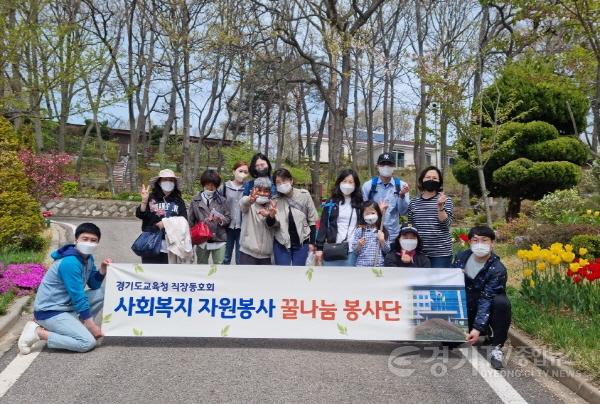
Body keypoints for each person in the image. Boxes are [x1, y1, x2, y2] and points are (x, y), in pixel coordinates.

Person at [18, 223, 111, 354]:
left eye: (93, 240)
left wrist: (102, 269)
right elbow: (78, 297)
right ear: (76, 240)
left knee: (103, 292)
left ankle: (76, 326)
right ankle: (38, 332)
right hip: (50, 311)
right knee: (87, 343)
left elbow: (94, 286)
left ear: (98, 243)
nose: (89, 243)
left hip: (66, 306)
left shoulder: (88, 259)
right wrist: (92, 326)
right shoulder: (70, 262)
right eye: (85, 239)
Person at [453, 225, 512, 370]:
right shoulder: (461, 258)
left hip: (485, 310)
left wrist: (478, 328)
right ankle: (465, 329)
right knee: (448, 344)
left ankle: (496, 346)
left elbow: (486, 298)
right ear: (469, 243)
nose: (479, 244)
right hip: (465, 308)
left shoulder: (498, 269)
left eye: (484, 240)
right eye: (475, 240)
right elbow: (451, 287)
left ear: (492, 243)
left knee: (501, 302)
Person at [267, 168, 319, 266]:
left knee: (299, 274)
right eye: (278, 182)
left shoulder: (304, 195)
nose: (282, 184)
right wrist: (271, 215)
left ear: (291, 180)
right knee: (283, 274)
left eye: (284, 180)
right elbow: (270, 224)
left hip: (302, 242)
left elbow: (312, 221)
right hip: (281, 243)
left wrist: (312, 243)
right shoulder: (275, 200)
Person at [135, 169, 187, 264]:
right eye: (165, 179)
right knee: (149, 273)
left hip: (171, 244)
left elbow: (184, 221)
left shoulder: (178, 201)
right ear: (159, 182)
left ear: (175, 183)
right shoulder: (151, 198)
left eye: (171, 180)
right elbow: (140, 215)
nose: (168, 182)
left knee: (168, 275)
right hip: (151, 243)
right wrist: (144, 201)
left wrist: (166, 223)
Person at [407, 166, 454, 268]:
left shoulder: (446, 200)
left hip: (441, 253)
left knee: (438, 283)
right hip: (419, 253)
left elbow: (447, 224)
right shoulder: (413, 202)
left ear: (439, 181)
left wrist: (440, 206)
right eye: (428, 177)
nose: (431, 180)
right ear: (422, 180)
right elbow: (411, 227)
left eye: (434, 178)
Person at [315, 169, 363, 266]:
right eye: (344, 181)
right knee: (330, 279)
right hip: (332, 248)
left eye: (350, 182)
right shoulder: (331, 203)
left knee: (348, 279)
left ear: (355, 185)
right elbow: (323, 225)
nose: (347, 184)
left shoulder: (359, 204)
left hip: (351, 250)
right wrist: (319, 248)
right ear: (339, 183)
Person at [362, 152, 410, 243]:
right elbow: (363, 212)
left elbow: (403, 212)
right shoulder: (368, 186)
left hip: (393, 236)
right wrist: (377, 211)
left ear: (394, 166)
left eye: (389, 164)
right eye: (383, 164)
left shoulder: (402, 185)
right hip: (372, 236)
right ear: (377, 166)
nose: (386, 167)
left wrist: (402, 196)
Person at [189, 169, 231, 264]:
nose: (210, 187)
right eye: (208, 184)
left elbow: (228, 218)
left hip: (219, 239)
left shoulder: (222, 200)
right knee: (201, 267)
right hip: (201, 239)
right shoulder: (195, 200)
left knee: (218, 268)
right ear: (203, 184)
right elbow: (190, 222)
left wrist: (220, 220)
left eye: (213, 185)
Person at [238, 177, 276, 265]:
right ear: (253, 190)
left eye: (266, 191)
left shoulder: (272, 206)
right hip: (248, 253)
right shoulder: (249, 204)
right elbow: (242, 204)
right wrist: (250, 199)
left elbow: (275, 224)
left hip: (265, 255)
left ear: (269, 193)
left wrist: (270, 216)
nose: (262, 193)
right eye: (259, 190)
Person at [221, 161, 249, 264]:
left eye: (245, 172)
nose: (242, 174)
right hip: (227, 227)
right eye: (240, 171)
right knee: (225, 257)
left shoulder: (248, 188)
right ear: (234, 171)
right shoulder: (224, 187)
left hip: (242, 227)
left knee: (240, 258)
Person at [350, 201, 390, 267]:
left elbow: (387, 251)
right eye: (367, 214)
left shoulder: (382, 230)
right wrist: (359, 245)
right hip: (362, 266)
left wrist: (382, 241)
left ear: (378, 214)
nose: (370, 216)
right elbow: (355, 251)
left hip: (378, 266)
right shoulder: (360, 230)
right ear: (362, 216)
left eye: (373, 213)